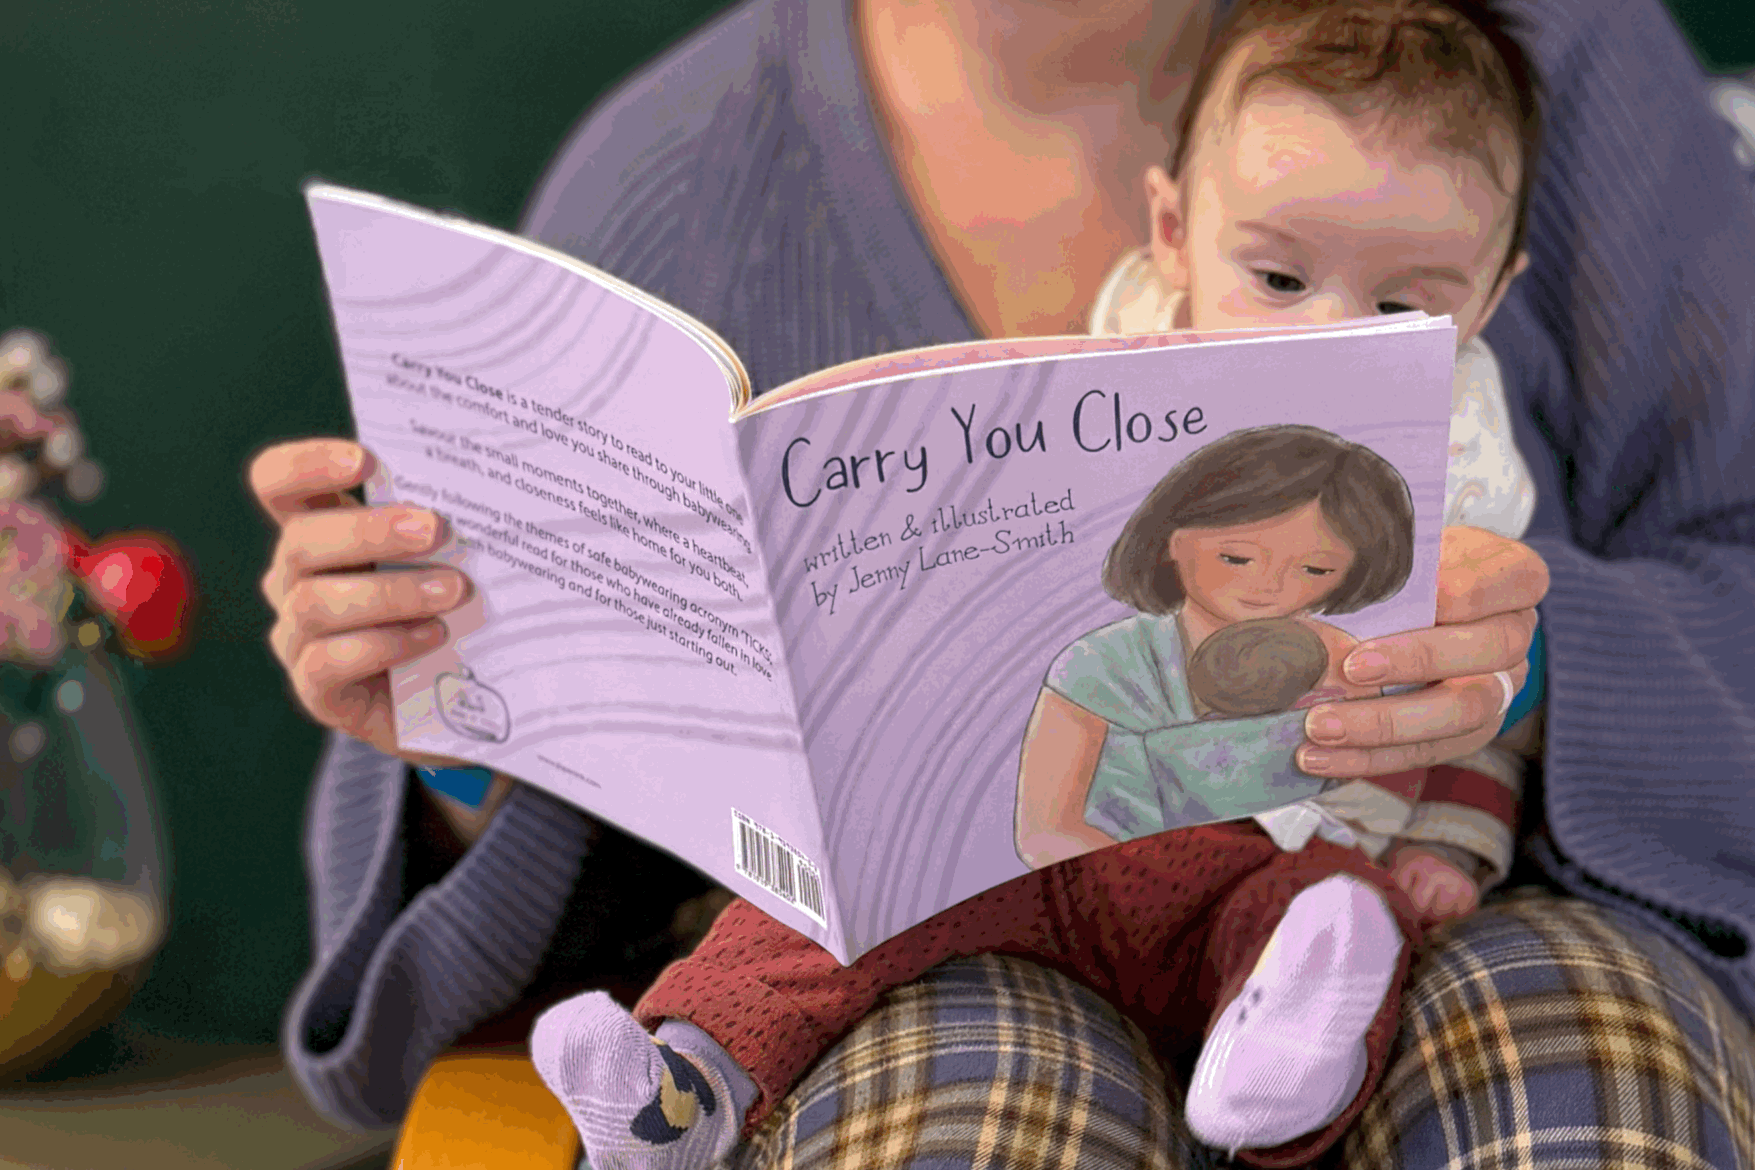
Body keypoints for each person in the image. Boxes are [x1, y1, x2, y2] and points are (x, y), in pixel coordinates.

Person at [257, 0, 1754, 1163]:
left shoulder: (1519, 58)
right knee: (960, 1094)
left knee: (1578, 1056)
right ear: (1170, 230)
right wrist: (464, 699)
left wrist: (1534, 653)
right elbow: (566, 869)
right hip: (944, 951)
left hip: (1438, 894)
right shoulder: (677, 183)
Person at [525, 9, 1546, 1162]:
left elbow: (1502, 677)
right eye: (1276, 275)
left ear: (1494, 294)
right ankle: (688, 1083)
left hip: (1256, 840)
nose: (1332, 330)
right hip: (1010, 834)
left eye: (1407, 306)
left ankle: (1282, 1061)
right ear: (1172, 232)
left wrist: (1459, 837)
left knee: (1325, 911)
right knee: (845, 897)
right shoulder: (1122, 352)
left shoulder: (1462, 450)